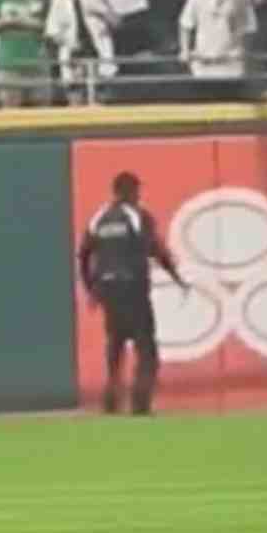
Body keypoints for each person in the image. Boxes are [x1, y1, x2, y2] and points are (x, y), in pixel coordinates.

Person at [77, 171, 190, 415]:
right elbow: (156, 249)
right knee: (145, 347)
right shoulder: (137, 216)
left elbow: (84, 254)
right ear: (130, 191)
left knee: (115, 346)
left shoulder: (99, 219)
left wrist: (91, 288)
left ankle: (110, 402)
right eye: (137, 190)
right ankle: (140, 403)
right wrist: (177, 277)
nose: (139, 195)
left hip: (108, 289)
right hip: (133, 288)